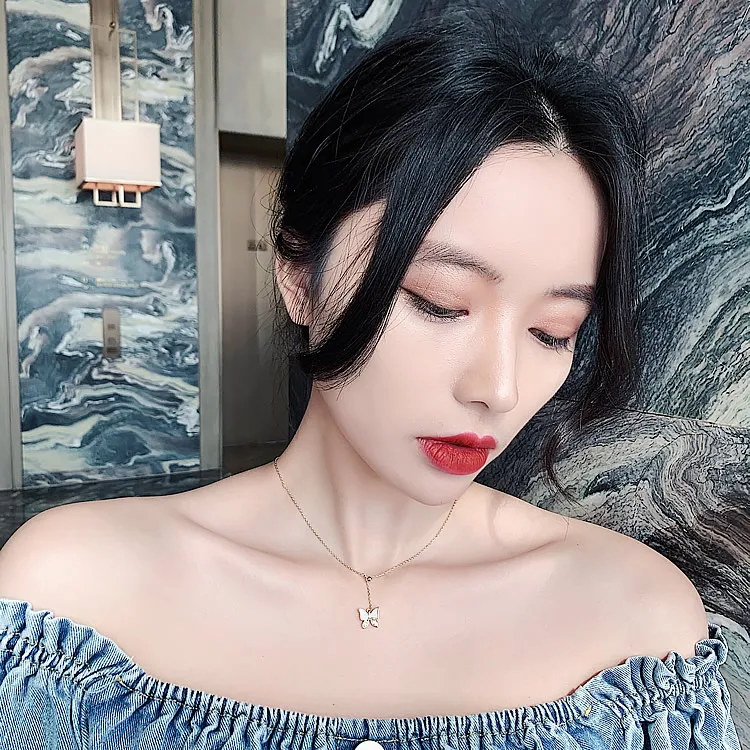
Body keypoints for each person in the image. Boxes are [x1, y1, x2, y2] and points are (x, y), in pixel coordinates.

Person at [0, 12, 741, 750]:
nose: (500, 388)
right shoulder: (71, 599)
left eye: (552, 332)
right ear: (299, 275)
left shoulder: (639, 628)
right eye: (440, 302)